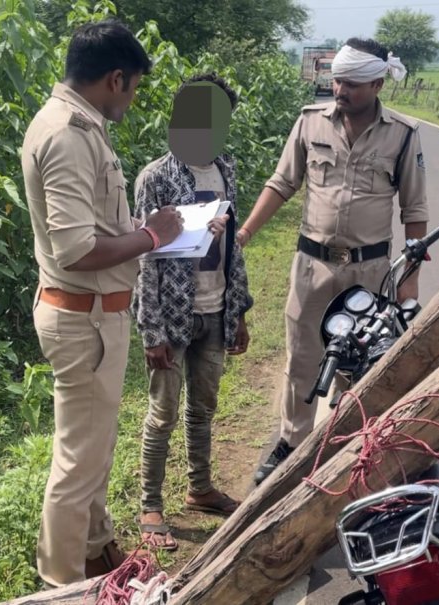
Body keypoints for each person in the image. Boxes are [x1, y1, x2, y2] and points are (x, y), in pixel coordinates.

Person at [21, 19, 183, 586]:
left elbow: (90, 228)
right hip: (83, 318)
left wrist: (139, 233)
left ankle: (96, 553)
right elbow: (74, 249)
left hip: (93, 315)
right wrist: (153, 235)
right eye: (134, 88)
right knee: (76, 464)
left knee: (92, 452)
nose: (133, 100)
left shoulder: (81, 126)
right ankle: (61, 585)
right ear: (116, 78)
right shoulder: (68, 134)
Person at [236, 38, 429, 485]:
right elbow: (281, 183)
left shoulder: (402, 135)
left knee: (360, 363)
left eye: (354, 84)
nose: (341, 89)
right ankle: (291, 443)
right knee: (302, 358)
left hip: (369, 271)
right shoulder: (310, 123)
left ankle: (353, 447)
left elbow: (415, 213)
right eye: (338, 80)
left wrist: (409, 286)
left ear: (378, 83)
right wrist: (245, 233)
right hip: (313, 267)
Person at [132, 74, 253, 550]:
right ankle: (150, 505)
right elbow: (145, 257)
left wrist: (238, 310)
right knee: (162, 413)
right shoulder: (155, 177)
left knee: (203, 408)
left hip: (215, 307)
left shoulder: (225, 168)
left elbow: (234, 250)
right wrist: (151, 330)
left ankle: (199, 489)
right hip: (173, 315)